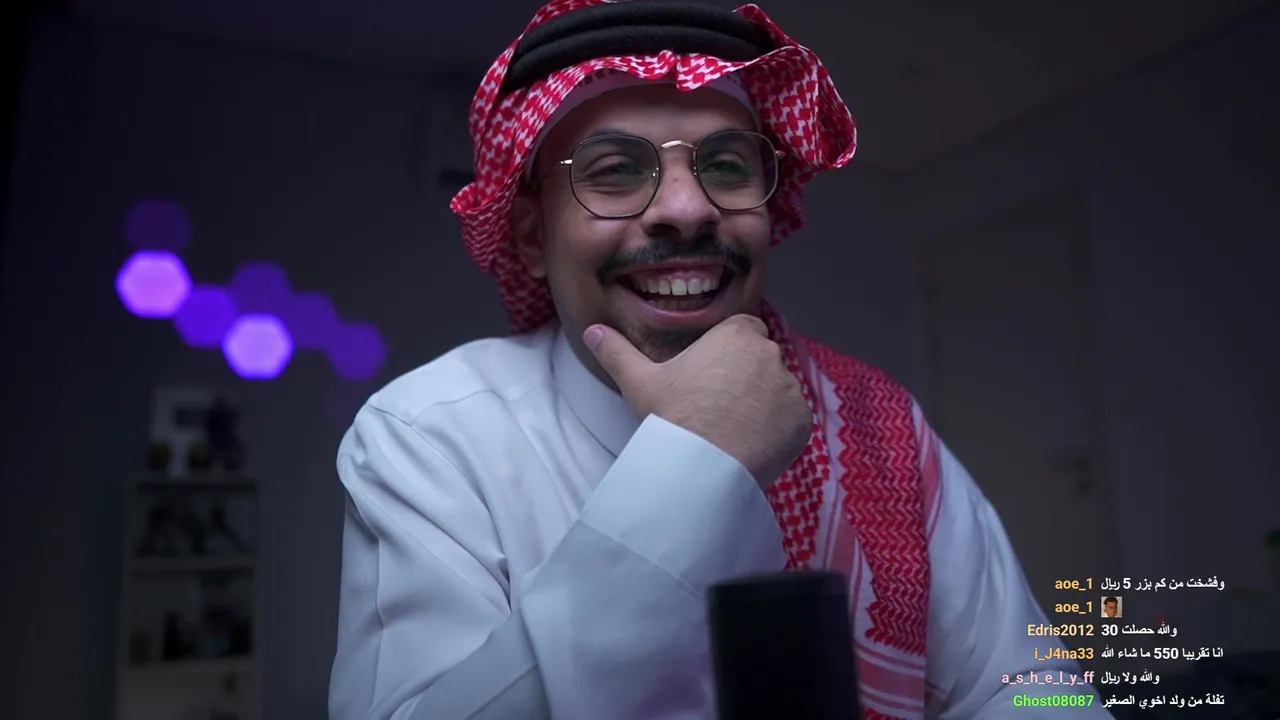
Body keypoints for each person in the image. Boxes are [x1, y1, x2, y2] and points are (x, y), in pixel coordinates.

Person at [328, 1, 1109, 718]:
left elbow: (1026, 689)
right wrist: (699, 460)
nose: (687, 208)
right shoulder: (431, 435)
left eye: (727, 165)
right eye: (616, 170)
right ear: (533, 237)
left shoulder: (878, 424)